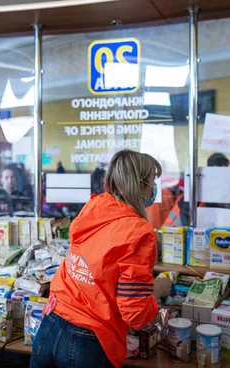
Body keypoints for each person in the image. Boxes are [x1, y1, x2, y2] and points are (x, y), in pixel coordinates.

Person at [30, 150, 161, 368]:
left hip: (51, 323)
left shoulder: (94, 207)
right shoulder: (139, 232)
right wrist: (157, 297)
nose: (155, 187)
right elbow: (135, 312)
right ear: (140, 184)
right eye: (153, 181)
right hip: (88, 339)